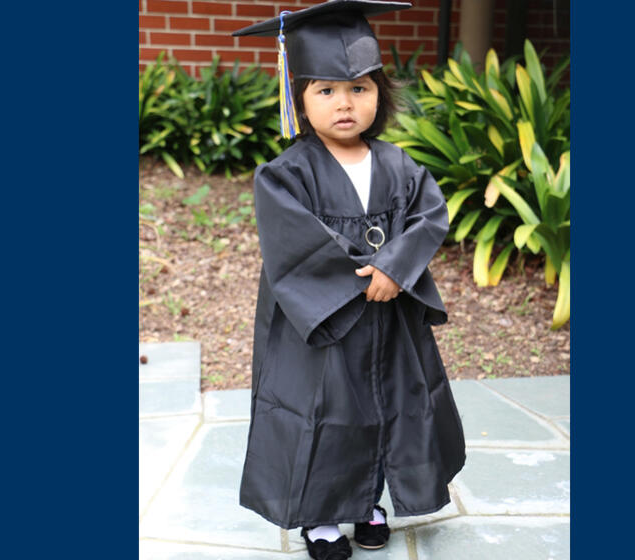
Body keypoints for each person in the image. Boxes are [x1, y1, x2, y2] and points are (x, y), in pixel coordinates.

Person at [232, 2, 466, 558]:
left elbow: (429, 215)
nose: (345, 103)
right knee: (328, 412)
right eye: (326, 91)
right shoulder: (285, 174)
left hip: (391, 317)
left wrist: (397, 267)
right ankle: (320, 518)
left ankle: (366, 504)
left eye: (359, 88)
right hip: (325, 318)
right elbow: (292, 240)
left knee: (383, 406)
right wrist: (367, 276)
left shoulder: (399, 165)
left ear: (379, 95)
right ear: (300, 101)